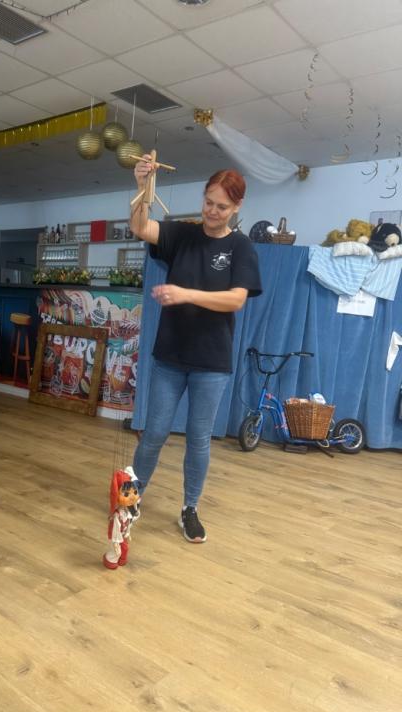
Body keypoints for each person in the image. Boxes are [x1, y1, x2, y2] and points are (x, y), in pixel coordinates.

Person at [130, 157, 262, 544]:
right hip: (169, 357)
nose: (212, 211)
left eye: (221, 206)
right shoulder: (183, 235)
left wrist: (186, 294)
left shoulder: (241, 247)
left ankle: (189, 508)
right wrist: (141, 187)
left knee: (198, 438)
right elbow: (140, 227)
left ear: (236, 207)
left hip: (211, 362)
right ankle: (131, 498)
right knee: (153, 433)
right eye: (208, 202)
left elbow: (236, 300)